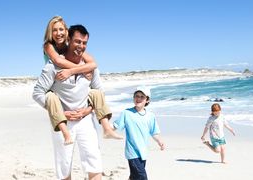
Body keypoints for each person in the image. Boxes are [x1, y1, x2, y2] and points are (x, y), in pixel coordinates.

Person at [33, 24, 103, 179]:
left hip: (86, 120)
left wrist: (88, 110)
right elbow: (37, 93)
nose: (81, 46)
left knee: (95, 164)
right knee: (64, 168)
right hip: (63, 122)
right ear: (68, 40)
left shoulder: (90, 68)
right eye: (77, 42)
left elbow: (98, 92)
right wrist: (60, 113)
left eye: (84, 43)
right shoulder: (52, 66)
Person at [43, 16, 122, 145]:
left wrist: (77, 70)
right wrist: (80, 69)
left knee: (96, 93)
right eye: (55, 30)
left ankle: (107, 129)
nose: (59, 33)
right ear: (50, 32)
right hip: (55, 83)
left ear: (67, 32)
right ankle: (65, 133)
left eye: (61, 29)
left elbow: (93, 64)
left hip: (71, 86)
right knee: (51, 98)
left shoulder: (73, 46)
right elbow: (58, 61)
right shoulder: (48, 45)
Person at [113, 86, 165, 180]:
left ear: (147, 100)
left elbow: (154, 132)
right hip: (132, 152)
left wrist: (159, 141)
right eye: (136, 96)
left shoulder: (150, 116)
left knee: (134, 176)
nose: (138, 98)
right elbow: (115, 126)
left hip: (143, 152)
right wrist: (106, 127)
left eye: (142, 97)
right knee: (142, 176)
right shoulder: (127, 113)